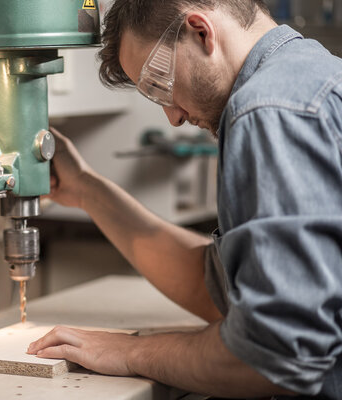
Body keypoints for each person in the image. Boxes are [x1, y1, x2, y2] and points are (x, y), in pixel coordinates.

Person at [27, 0, 342, 397]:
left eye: (160, 84)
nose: (172, 117)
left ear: (200, 32)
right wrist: (86, 189)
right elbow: (223, 287)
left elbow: (276, 352)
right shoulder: (313, 74)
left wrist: (131, 352)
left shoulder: (267, 109)